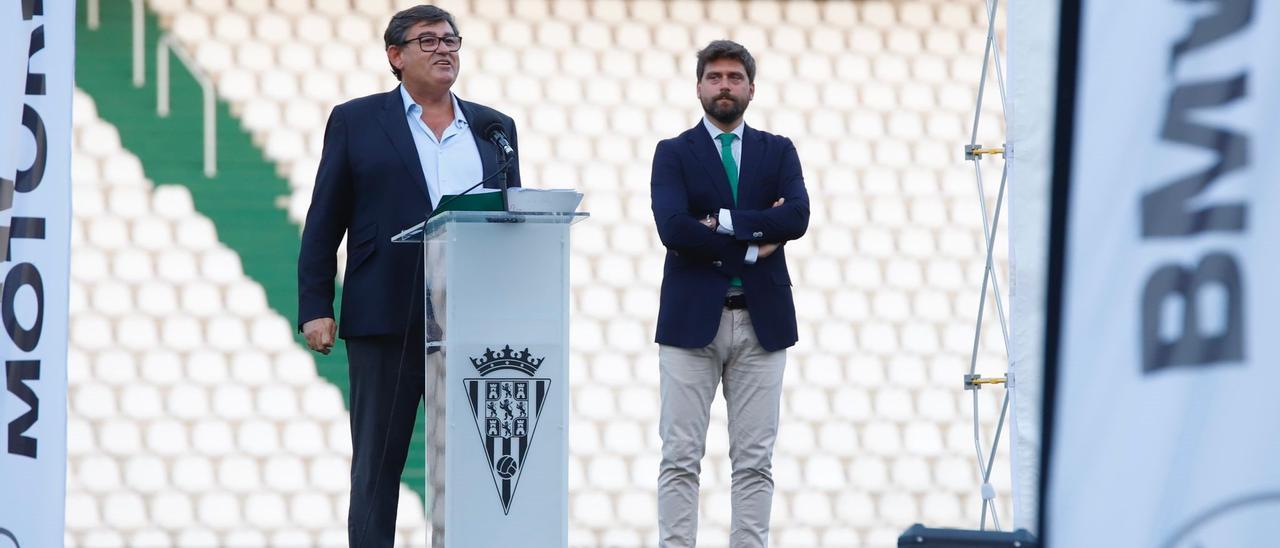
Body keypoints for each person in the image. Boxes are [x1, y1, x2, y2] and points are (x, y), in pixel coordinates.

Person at [296, 5, 520, 547]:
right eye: (428, 41)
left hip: (475, 320)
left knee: (482, 461)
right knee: (377, 465)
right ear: (394, 56)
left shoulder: (494, 129)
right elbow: (325, 217)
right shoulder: (356, 120)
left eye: (451, 40)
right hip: (386, 313)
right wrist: (315, 305)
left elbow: (514, 225)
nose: (444, 49)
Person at [649, 40, 810, 548]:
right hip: (692, 321)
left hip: (762, 323)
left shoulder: (777, 150)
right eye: (714, 77)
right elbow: (674, 228)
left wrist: (721, 222)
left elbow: (796, 217)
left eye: (734, 77)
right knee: (680, 457)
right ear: (699, 86)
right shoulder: (673, 153)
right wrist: (749, 248)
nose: (724, 85)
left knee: (755, 461)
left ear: (751, 88)